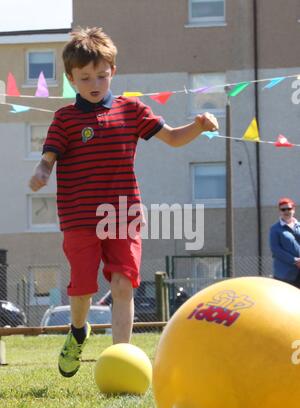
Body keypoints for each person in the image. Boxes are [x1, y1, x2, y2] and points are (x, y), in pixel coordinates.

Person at [29, 27, 219, 378]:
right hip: (79, 217)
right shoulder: (66, 119)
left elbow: (174, 138)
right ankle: (77, 330)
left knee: (122, 284)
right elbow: (49, 156)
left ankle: (120, 357)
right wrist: (41, 171)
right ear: (71, 78)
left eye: (101, 75)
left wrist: (198, 125)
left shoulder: (132, 110)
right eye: (85, 77)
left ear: (113, 72)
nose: (95, 83)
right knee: (83, 289)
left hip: (123, 213)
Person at [269, 197, 300, 287]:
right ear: (280, 211)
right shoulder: (275, 229)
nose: (286, 211)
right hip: (285, 273)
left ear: (293, 209)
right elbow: (276, 249)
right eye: (283, 209)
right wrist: (295, 260)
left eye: (289, 208)